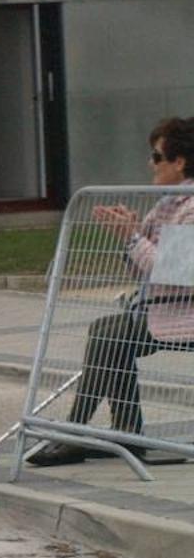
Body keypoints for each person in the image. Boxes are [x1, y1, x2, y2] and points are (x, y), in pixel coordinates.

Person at [31, 117, 194, 467]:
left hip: (184, 310)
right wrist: (130, 235)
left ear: (179, 162)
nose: (149, 164)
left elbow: (177, 273)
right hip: (167, 306)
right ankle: (127, 433)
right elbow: (143, 268)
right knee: (106, 331)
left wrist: (131, 237)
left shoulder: (191, 206)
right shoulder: (167, 203)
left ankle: (75, 432)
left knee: (111, 338)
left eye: (156, 156)